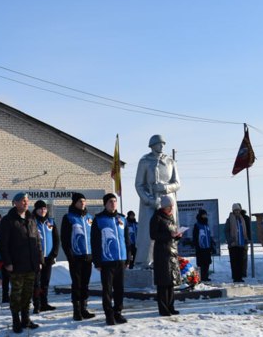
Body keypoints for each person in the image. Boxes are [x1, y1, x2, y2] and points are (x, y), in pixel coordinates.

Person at [134, 134, 181, 268]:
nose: (162, 146)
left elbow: (177, 183)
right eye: (159, 144)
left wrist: (165, 187)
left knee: (170, 229)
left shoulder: (170, 161)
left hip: (168, 200)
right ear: (152, 145)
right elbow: (139, 184)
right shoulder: (144, 161)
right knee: (148, 231)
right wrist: (148, 200)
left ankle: (170, 257)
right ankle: (145, 260)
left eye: (163, 144)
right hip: (150, 201)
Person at [0, 192, 42, 333]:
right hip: (16, 265)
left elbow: (37, 241)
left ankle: (26, 319)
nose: (26, 202)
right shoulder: (8, 220)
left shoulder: (31, 219)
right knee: (16, 294)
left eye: (27, 200)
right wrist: (7, 262)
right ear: (15, 203)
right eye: (23, 200)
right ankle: (16, 320)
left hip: (31, 264)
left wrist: (39, 260)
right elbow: (3, 244)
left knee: (27, 293)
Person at [91, 193, 129, 325]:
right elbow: (94, 243)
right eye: (110, 202)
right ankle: (109, 314)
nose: (113, 204)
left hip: (121, 259)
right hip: (106, 261)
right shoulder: (99, 219)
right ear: (105, 204)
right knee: (107, 290)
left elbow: (127, 240)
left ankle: (118, 312)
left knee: (120, 288)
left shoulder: (122, 219)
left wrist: (128, 258)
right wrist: (97, 261)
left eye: (114, 201)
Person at [60, 192, 96, 321]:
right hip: (76, 257)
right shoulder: (69, 218)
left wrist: (93, 254)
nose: (83, 203)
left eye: (84, 201)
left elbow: (94, 237)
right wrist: (70, 256)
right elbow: (64, 239)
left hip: (88, 256)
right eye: (80, 201)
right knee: (77, 284)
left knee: (85, 284)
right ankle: (76, 311)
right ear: (74, 203)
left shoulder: (89, 218)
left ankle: (84, 308)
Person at [149, 196, 182, 316]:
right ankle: (163, 308)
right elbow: (153, 235)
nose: (172, 208)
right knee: (163, 282)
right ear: (164, 206)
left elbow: (172, 232)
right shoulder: (157, 217)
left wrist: (177, 235)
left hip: (172, 252)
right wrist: (170, 235)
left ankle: (171, 306)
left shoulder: (171, 217)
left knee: (171, 282)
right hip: (162, 253)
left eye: (172, 206)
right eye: (170, 206)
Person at [33, 200, 60, 312]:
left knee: (45, 282)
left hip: (48, 258)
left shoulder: (51, 222)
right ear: (36, 210)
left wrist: (54, 254)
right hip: (37, 258)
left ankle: (44, 303)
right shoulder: (32, 222)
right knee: (37, 283)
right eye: (40, 209)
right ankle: (37, 304)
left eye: (44, 208)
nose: (43, 210)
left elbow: (56, 239)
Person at [225, 203, 249, 283]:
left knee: (240, 261)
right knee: (234, 262)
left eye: (238, 210)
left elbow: (244, 231)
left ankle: (240, 276)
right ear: (233, 211)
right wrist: (230, 240)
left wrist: (245, 240)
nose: (237, 212)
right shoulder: (229, 219)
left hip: (241, 243)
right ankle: (235, 277)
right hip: (233, 244)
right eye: (235, 210)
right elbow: (226, 231)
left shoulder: (242, 219)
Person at [192, 208, 214, 282]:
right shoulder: (197, 225)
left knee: (207, 262)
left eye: (205, 215)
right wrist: (196, 245)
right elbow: (195, 236)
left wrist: (211, 245)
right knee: (201, 263)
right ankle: (201, 277)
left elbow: (209, 235)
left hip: (207, 247)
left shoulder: (206, 225)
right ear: (200, 215)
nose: (205, 216)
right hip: (200, 247)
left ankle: (206, 276)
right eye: (203, 215)